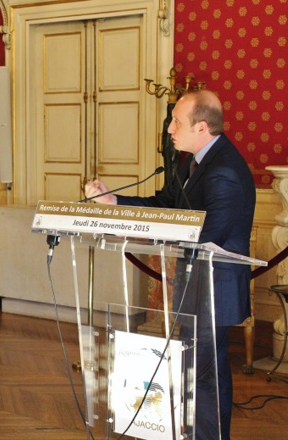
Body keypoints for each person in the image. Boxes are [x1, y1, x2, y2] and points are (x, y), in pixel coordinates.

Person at [84, 90, 255, 440]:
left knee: (204, 375)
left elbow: (209, 235)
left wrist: (149, 234)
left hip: (213, 290)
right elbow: (165, 205)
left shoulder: (224, 170)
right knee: (198, 372)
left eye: (177, 122)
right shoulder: (190, 161)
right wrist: (114, 201)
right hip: (195, 285)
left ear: (202, 127)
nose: (170, 129)